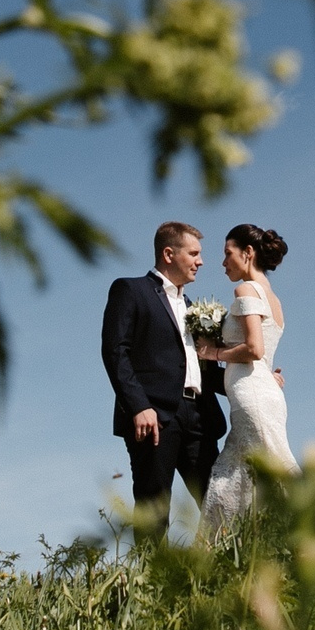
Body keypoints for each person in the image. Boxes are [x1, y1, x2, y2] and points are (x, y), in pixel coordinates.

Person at [99, 221, 225, 525]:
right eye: (193, 253)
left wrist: (257, 378)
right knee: (154, 510)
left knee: (219, 503)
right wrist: (139, 405)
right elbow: (116, 351)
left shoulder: (193, 307)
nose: (201, 261)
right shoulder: (130, 290)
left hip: (200, 416)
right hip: (153, 416)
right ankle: (150, 572)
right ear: (169, 254)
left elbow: (203, 369)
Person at [198, 223, 295, 533]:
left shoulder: (246, 290)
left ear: (248, 253)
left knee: (270, 464)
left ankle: (304, 527)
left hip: (252, 394)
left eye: (228, 254)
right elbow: (263, 354)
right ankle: (240, 542)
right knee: (239, 472)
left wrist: (211, 353)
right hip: (264, 391)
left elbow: (254, 348)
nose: (224, 262)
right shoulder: (274, 299)